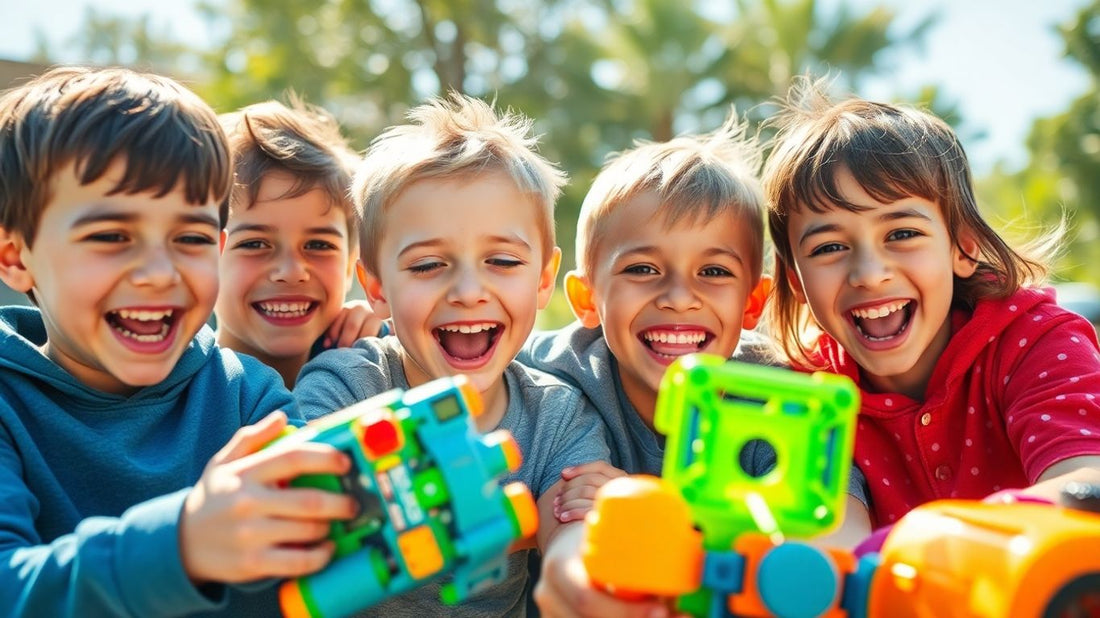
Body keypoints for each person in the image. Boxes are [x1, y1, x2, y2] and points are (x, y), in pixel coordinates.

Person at [0, 66, 357, 616]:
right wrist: (184, 544)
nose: (159, 272)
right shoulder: (9, 406)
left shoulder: (248, 397)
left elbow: (340, 542)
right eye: (112, 236)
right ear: (16, 257)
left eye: (188, 238)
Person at [525, 112, 872, 618]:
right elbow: (444, 361)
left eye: (713, 271)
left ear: (753, 303)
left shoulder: (777, 391)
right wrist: (368, 327)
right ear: (586, 297)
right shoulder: (554, 370)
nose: (679, 298)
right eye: (643, 269)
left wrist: (670, 521)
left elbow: (841, 524)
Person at [293, 93, 611, 616]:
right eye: (426, 265)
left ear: (545, 280)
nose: (468, 291)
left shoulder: (557, 415)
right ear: (374, 287)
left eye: (503, 260)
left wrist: (575, 574)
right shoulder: (348, 385)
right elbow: (301, 502)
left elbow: (570, 530)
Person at [762, 78, 1100, 527]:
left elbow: (1084, 483)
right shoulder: (807, 390)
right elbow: (831, 543)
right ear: (797, 281)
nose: (869, 273)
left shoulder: (1035, 340)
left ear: (963, 246)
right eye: (828, 248)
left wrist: (944, 535)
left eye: (901, 234)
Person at [216, 98, 383, 388]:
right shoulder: (173, 393)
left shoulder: (374, 366)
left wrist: (382, 334)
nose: (291, 271)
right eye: (255, 244)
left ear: (349, 266)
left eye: (318, 245)